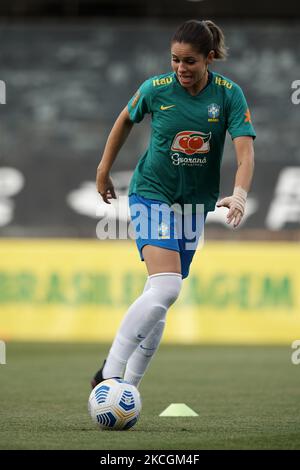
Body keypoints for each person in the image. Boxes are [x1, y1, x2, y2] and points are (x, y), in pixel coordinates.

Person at [91, 19, 256, 389]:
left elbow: (245, 154)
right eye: (175, 59)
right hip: (152, 193)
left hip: (194, 205)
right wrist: (104, 169)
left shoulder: (229, 95)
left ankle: (127, 389)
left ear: (209, 58)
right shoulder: (156, 89)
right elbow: (125, 119)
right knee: (167, 288)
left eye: (190, 61)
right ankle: (109, 375)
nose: (181, 68)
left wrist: (240, 194)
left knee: (160, 295)